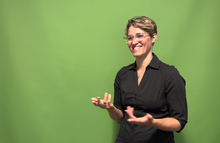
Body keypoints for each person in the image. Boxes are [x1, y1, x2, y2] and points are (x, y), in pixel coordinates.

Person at [91, 16, 188, 143]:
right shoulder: (123, 74)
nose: (134, 41)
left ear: (153, 37)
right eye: (130, 37)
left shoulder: (170, 74)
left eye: (139, 36)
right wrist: (111, 109)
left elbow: (179, 122)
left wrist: (153, 122)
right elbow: (120, 118)